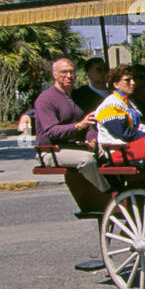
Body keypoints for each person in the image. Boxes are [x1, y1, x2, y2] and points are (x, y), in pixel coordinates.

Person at [32, 57, 105, 192]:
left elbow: (90, 123)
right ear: (54, 75)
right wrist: (78, 126)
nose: (69, 76)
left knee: (110, 151)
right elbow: (52, 131)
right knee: (87, 160)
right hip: (51, 151)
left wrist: (92, 139)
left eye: (72, 72)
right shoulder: (45, 99)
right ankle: (106, 193)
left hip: (75, 146)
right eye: (64, 72)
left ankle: (125, 187)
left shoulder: (77, 96)